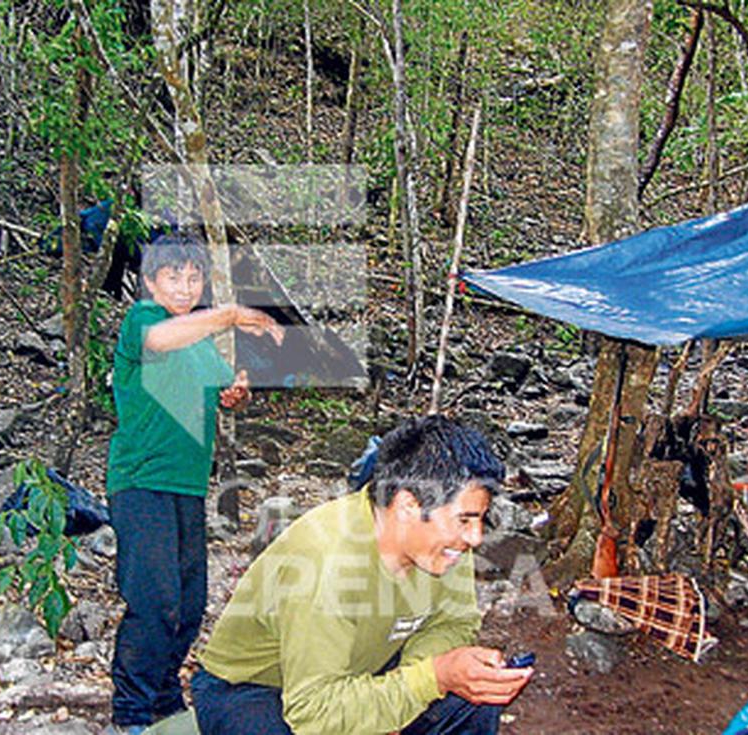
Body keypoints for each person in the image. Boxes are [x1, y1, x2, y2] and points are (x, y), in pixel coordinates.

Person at [192, 414, 533, 735]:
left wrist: (414, 683)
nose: (474, 537)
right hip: (258, 689)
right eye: (464, 519)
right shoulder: (326, 561)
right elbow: (312, 710)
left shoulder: (443, 545)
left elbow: (454, 623)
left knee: (475, 698)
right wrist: (428, 680)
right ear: (407, 506)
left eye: (480, 519)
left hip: (364, 670)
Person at [105, 232, 284, 735]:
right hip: (141, 482)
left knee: (188, 601)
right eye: (172, 277)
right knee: (153, 598)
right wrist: (229, 314)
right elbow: (161, 342)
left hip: (188, 487)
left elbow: (224, 389)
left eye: (193, 277)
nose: (185, 287)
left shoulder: (198, 338)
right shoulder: (144, 320)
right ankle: (133, 713)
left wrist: (235, 393)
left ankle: (164, 699)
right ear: (149, 282)